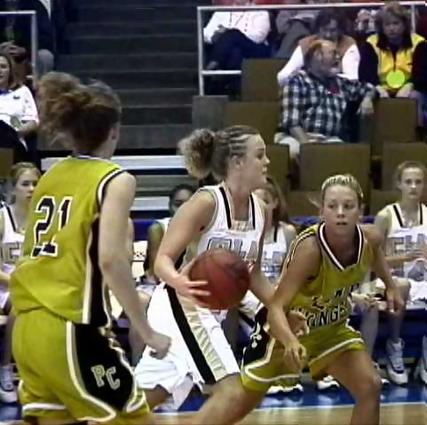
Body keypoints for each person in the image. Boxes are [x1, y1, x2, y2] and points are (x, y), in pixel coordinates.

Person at [10, 71, 170, 425]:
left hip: (26, 328)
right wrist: (146, 331)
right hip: (70, 327)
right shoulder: (115, 179)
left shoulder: (49, 175)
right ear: (113, 130)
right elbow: (110, 260)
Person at [188, 174, 403, 425]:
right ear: (321, 211)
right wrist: (290, 341)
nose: (340, 213)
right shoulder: (310, 250)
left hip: (330, 330)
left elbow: (374, 253)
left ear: (360, 211)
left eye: (348, 206)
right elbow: (276, 307)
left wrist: (391, 286)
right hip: (283, 333)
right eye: (332, 206)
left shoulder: (371, 237)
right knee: (235, 407)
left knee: (370, 386)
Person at [134, 125, 306, 412]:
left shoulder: (261, 211)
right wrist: (179, 281)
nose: (267, 161)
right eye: (259, 155)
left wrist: (281, 310)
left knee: (140, 403)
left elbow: (253, 276)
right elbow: (162, 260)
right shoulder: (206, 202)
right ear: (237, 162)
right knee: (231, 393)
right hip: (182, 304)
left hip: (210, 311)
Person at [369, 161, 427, 385]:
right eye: (408, 182)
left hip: (422, 279)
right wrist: (405, 257)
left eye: (418, 182)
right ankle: (394, 345)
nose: (413, 187)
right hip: (389, 280)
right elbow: (370, 260)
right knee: (402, 286)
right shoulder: (386, 216)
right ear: (399, 184)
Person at [276, 39, 376, 160]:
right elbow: (292, 123)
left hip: (329, 139)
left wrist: (367, 99)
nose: (338, 57)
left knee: (345, 155)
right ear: (317, 57)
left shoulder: (342, 83)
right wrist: (309, 148)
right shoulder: (297, 80)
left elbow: (369, 88)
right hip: (297, 137)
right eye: (333, 53)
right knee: (294, 152)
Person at [0, 162, 40, 404]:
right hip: (5, 286)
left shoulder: (44, 220)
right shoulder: (2, 218)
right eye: (25, 184)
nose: (31, 189)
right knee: (20, 305)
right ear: (13, 188)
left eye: (35, 184)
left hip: (35, 287)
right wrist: (18, 282)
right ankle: (5, 367)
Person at [358, 1, 427, 127]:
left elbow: (423, 74)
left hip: (411, 88)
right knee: (367, 98)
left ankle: (416, 135)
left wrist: (410, 85)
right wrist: (378, 89)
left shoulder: (419, 42)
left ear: (404, 24)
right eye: (387, 24)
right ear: (381, 26)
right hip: (379, 89)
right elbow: (364, 74)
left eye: (396, 23)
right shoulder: (371, 43)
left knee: (415, 97)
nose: (391, 28)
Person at [277, 8, 360, 85]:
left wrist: (328, 75)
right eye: (324, 29)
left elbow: (352, 79)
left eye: (332, 30)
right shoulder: (307, 43)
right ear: (318, 29)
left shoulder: (348, 44)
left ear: (340, 30)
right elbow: (282, 77)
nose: (328, 35)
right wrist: (308, 78)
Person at [0, 51, 38, 162]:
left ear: (10, 71)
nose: (0, 70)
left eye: (3, 67)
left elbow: (33, 122)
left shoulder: (23, 91)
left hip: (13, 142)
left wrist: (15, 133)